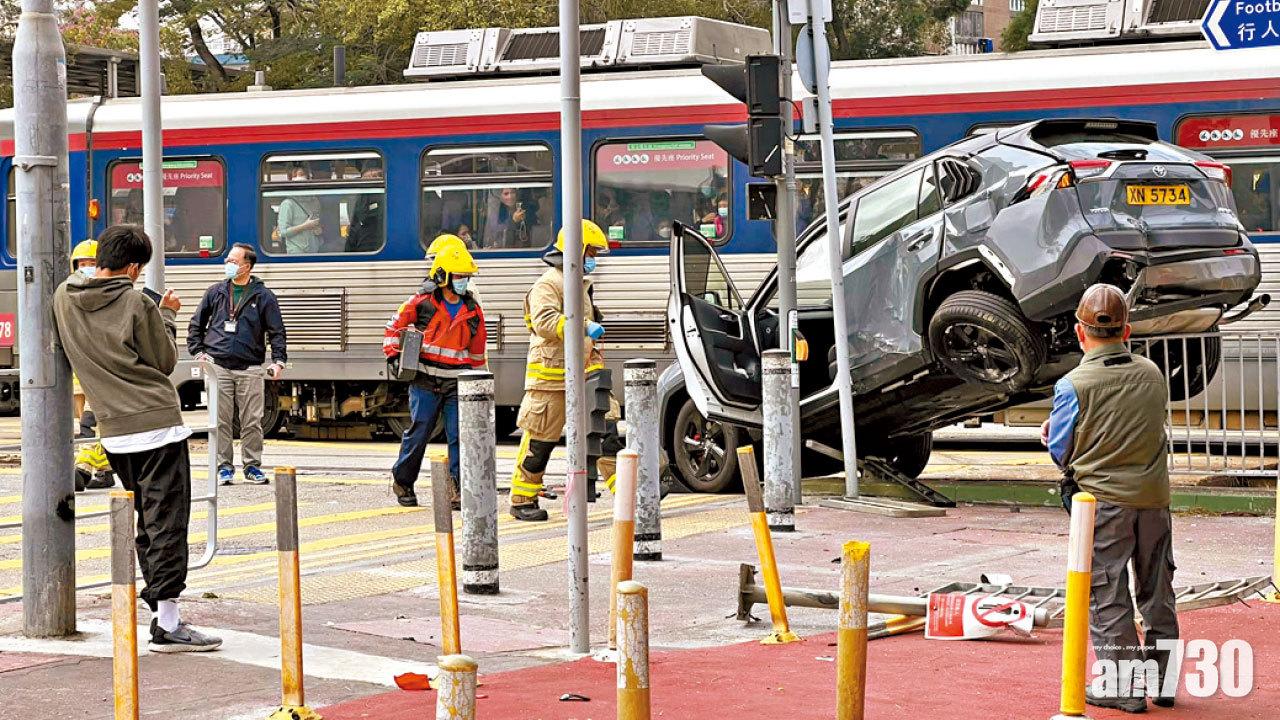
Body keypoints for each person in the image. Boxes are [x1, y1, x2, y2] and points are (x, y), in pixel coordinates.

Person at [53, 224, 222, 652]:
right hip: (157, 426)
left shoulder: (64, 296)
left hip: (113, 431)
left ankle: (161, 614)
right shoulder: (133, 301)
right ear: (132, 267)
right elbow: (163, 361)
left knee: (146, 523)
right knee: (166, 523)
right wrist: (166, 314)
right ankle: (167, 623)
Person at [1042, 283, 1177, 713]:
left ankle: (1124, 688)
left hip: (1103, 506)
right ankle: (1163, 680)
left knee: (1107, 593)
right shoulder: (1152, 373)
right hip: (1154, 500)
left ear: (1080, 333)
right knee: (1157, 590)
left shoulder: (1073, 385)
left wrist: (1050, 434)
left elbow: (1062, 451)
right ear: (1128, 330)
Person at [508, 219, 623, 522]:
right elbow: (545, 321)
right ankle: (522, 500)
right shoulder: (549, 283)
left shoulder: (580, 284)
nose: (594, 259)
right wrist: (584, 326)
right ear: (577, 250)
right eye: (591, 252)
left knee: (607, 433)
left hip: (585, 376)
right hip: (549, 381)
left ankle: (627, 495)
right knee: (539, 445)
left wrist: (597, 369)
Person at [383, 237, 487, 507]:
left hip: (457, 383)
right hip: (425, 380)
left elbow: (477, 352)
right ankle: (403, 481)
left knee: (459, 438)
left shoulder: (473, 310)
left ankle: (457, 490)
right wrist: (393, 355)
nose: (464, 280)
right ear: (444, 276)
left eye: (466, 276)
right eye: (460, 275)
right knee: (419, 433)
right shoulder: (422, 303)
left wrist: (480, 383)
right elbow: (394, 328)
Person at [187, 243, 288, 486]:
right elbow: (196, 324)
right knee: (220, 421)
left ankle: (252, 466)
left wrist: (278, 361)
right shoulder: (216, 292)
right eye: (227, 260)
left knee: (252, 421)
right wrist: (198, 352)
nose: (227, 264)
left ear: (247, 266)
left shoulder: (263, 296)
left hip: (250, 367)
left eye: (233, 261)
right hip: (217, 366)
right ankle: (224, 467)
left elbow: (277, 331)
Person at [67, 239, 115, 492]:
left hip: (99, 371)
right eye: (82, 264)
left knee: (89, 423)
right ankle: (105, 470)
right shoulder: (71, 293)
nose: (86, 268)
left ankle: (82, 469)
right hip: (78, 371)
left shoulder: (109, 293)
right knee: (85, 419)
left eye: (91, 263)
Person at [277, 167, 324, 254]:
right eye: (297, 181)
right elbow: (283, 232)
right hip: (296, 251)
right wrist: (304, 226)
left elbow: (316, 223)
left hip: (315, 249)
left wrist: (318, 229)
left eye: (303, 180)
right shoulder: (287, 204)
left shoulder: (315, 201)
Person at [344, 165, 384, 253]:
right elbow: (355, 216)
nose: (372, 178)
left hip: (376, 237)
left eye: (377, 175)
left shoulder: (383, 194)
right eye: (368, 176)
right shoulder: (356, 195)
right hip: (359, 236)